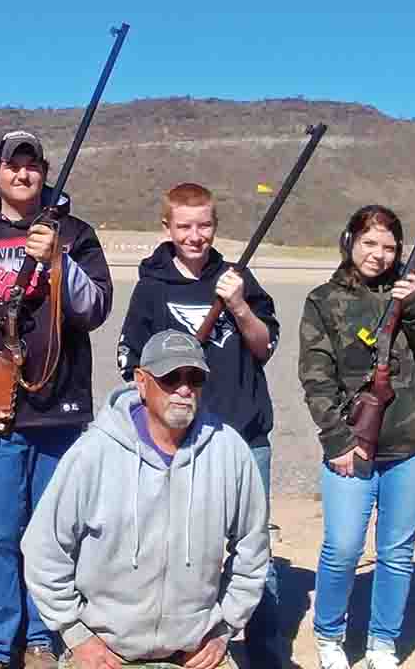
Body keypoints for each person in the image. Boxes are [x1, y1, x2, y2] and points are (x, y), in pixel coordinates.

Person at [0, 130, 113, 669]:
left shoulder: (75, 234)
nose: (22, 174)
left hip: (56, 414)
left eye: (32, 165)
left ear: (43, 173)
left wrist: (60, 260)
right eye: (12, 165)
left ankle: (43, 638)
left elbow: (95, 308)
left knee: (53, 538)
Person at [23, 329, 269, 669]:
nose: (184, 389)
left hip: (196, 652)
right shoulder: (94, 453)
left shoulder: (230, 453)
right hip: (105, 652)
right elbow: (43, 550)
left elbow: (253, 551)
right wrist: (75, 632)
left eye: (194, 378)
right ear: (141, 381)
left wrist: (225, 626)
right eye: (170, 378)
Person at [116, 182, 282, 668]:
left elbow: (264, 347)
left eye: (204, 225)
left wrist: (239, 305)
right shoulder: (152, 286)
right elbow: (131, 362)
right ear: (167, 228)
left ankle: (267, 653)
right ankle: (185, 646)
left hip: (245, 438)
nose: (195, 235)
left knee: (256, 552)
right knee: (184, 548)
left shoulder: (238, 277)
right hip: (178, 443)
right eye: (185, 226)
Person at [297, 205, 415, 669]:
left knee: (396, 552)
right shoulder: (323, 299)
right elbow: (315, 377)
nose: (379, 255)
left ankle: (382, 643)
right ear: (349, 242)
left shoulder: (412, 294)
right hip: (353, 447)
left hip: (412, 446)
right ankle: (329, 637)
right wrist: (337, 441)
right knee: (343, 547)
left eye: (389, 246)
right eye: (369, 243)